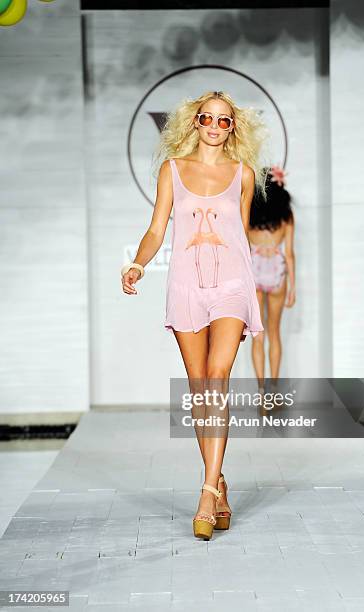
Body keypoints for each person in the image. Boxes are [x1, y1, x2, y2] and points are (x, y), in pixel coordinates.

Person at [120, 90, 269, 540]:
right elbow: (155, 228)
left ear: (234, 128)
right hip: (186, 284)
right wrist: (138, 263)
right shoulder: (172, 171)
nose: (215, 126)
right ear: (194, 121)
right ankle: (220, 480)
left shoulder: (243, 174)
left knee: (218, 375)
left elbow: (240, 235)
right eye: (208, 118)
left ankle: (206, 489)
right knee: (199, 384)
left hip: (232, 283)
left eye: (225, 121)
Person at [248, 165, 296, 393]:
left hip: (254, 268)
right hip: (277, 270)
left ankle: (261, 391)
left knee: (258, 336)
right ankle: (274, 390)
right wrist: (293, 287)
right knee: (274, 333)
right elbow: (289, 253)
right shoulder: (286, 216)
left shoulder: (248, 212)